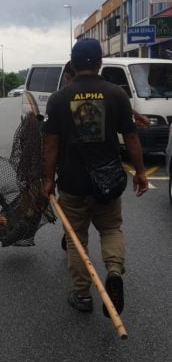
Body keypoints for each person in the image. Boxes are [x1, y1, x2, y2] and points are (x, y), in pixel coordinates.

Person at [43, 39, 148, 316]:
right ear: (101, 62)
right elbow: (132, 138)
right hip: (109, 181)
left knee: (76, 239)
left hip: (73, 183)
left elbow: (50, 145)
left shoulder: (59, 99)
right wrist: (140, 172)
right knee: (111, 229)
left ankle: (82, 295)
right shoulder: (116, 94)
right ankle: (113, 270)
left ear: (73, 64)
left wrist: (48, 179)